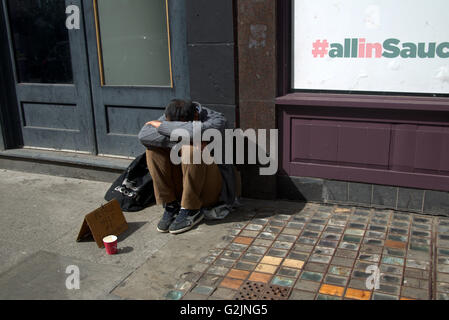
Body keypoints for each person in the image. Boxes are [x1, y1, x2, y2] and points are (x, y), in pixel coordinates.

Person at [138, 99, 239, 234]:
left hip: (211, 188)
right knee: (152, 151)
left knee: (191, 150)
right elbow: (144, 135)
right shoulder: (171, 114)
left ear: (195, 117)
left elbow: (197, 132)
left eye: (182, 125)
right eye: (170, 125)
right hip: (183, 182)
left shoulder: (217, 120)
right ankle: (171, 204)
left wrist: (163, 128)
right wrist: (189, 135)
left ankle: (190, 209)